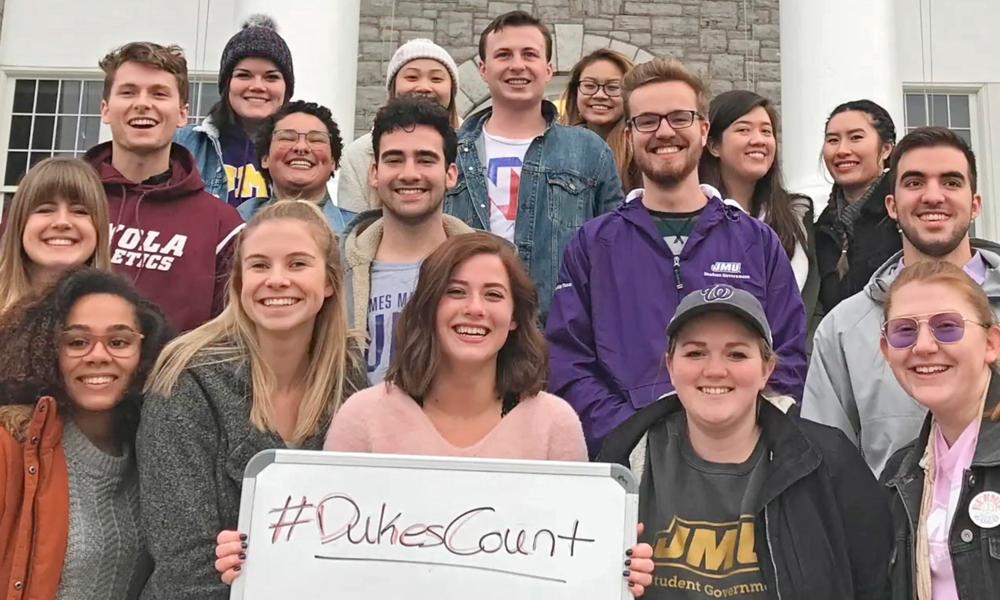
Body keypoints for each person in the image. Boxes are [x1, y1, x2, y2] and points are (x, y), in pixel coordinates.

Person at [213, 231, 656, 595]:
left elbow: (572, 572)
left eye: (494, 295)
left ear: (516, 317)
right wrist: (260, 556)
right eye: (455, 292)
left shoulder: (553, 423)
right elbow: (317, 557)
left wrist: (613, 569)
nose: (475, 308)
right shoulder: (365, 416)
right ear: (428, 307)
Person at [547, 57, 806, 458]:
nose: (664, 131)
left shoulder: (757, 241)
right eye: (647, 120)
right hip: (630, 461)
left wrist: (740, 432)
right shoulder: (594, 244)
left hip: (740, 462)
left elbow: (787, 353)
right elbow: (568, 361)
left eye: (679, 118)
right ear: (629, 134)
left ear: (704, 130)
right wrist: (636, 436)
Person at [599, 284, 892, 600]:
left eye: (736, 354)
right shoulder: (621, 461)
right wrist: (611, 580)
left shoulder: (828, 462)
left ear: (767, 369)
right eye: (695, 353)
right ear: (671, 366)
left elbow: (876, 584)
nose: (714, 370)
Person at [136, 201, 368, 599]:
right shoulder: (186, 379)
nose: (277, 280)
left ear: (330, 282)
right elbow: (183, 565)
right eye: (259, 266)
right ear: (240, 282)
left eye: (297, 264)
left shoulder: (348, 380)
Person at [803, 126, 1000, 475]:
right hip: (889, 527)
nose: (933, 196)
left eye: (951, 182)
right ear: (891, 206)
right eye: (914, 182)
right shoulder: (844, 329)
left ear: (975, 205)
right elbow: (828, 467)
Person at [0, 268, 172, 600]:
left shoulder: (155, 451)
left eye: (118, 342)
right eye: (77, 342)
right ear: (47, 350)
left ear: (145, 352)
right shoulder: (11, 449)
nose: (97, 356)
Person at [444, 11, 625, 320]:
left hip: (560, 336)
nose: (518, 65)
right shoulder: (448, 150)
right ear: (484, 70)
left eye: (530, 54)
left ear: (549, 69)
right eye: (504, 55)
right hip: (467, 324)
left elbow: (615, 253)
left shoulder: (589, 150)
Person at [85, 41, 246, 333]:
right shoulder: (61, 204)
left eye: (159, 93)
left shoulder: (222, 225)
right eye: (128, 92)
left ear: (183, 114)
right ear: (106, 110)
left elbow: (230, 338)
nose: (143, 103)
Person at [878, 261, 1000, 599]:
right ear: (887, 350)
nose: (924, 346)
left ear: (991, 343)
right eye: (904, 331)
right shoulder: (899, 476)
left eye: (947, 327)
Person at [343, 96, 472, 384]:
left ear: (450, 174)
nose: (409, 174)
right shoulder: (335, 270)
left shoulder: (491, 268)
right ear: (375, 174)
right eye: (394, 160)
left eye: (425, 160)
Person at [699, 90, 819, 322]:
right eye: (744, 130)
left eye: (766, 131)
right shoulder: (695, 216)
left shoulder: (797, 216)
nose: (759, 140)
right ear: (713, 145)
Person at [175, 14, 293, 206]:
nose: (257, 86)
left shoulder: (304, 153)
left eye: (271, 77)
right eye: (244, 75)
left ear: (286, 89)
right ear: (227, 84)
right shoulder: (183, 146)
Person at [338, 38, 460, 213]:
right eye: (412, 77)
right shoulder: (357, 155)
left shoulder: (475, 146)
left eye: (436, 78)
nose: (424, 87)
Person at [815, 99, 901, 312]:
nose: (842, 150)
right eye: (833, 140)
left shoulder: (902, 218)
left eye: (856, 138)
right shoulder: (819, 229)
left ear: (886, 149)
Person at [0, 157, 111, 314]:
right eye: (45, 210)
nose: (62, 222)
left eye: (79, 211)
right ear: (20, 224)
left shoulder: (128, 319)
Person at [237, 100, 357, 234]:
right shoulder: (233, 226)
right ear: (265, 158)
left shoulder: (360, 234)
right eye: (287, 138)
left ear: (333, 162)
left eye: (316, 139)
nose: (301, 147)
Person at [560, 48, 639, 192]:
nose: (600, 95)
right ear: (575, 91)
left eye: (613, 87)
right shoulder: (557, 149)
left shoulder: (642, 153)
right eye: (589, 86)